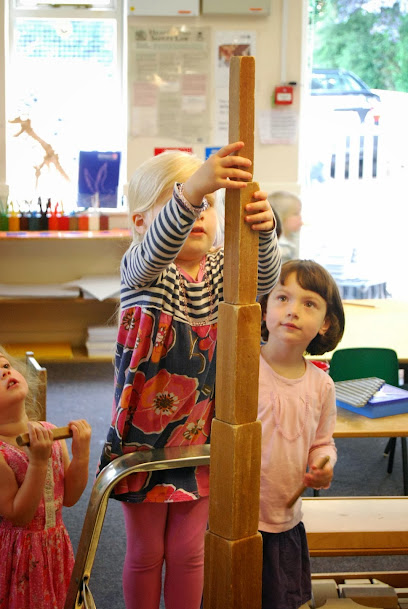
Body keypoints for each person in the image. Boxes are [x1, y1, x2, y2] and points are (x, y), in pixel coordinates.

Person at [97, 141, 281, 609]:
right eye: (181, 201)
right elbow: (156, 251)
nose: (199, 211)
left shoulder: (219, 268)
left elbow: (262, 281)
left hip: (203, 434)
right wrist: (195, 187)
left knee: (188, 551)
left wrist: (264, 234)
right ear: (141, 222)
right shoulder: (142, 269)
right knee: (146, 553)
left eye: (208, 205)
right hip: (144, 441)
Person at [257, 259, 345, 609]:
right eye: (282, 298)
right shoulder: (243, 367)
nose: (293, 310)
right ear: (264, 308)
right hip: (232, 518)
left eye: (309, 303)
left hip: (285, 522)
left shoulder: (322, 385)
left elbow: (323, 443)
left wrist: (324, 464)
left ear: (326, 323)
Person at [0, 346, 92, 609]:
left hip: (55, 547)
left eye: (5, 366)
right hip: (18, 557)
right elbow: (19, 515)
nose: (5, 373)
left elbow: (70, 497)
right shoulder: (2, 454)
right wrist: (38, 462)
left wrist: (82, 455)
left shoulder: (50, 432)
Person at [268, 191, 302, 263]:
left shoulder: (290, 240)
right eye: (296, 214)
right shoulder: (280, 248)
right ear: (280, 216)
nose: (300, 217)